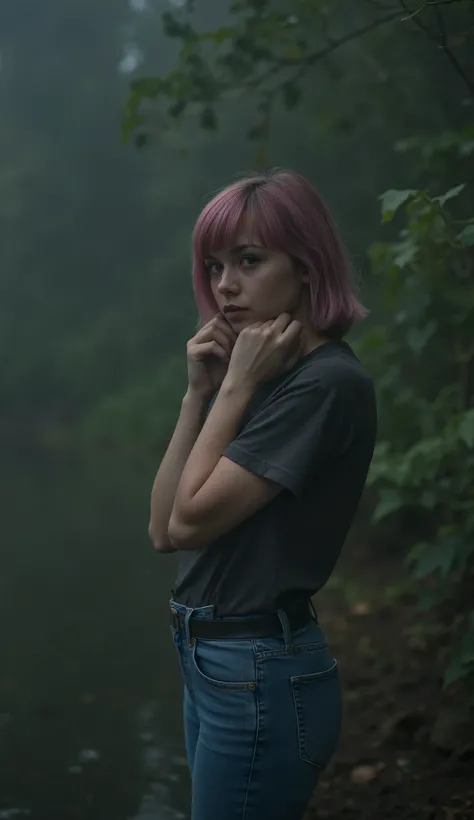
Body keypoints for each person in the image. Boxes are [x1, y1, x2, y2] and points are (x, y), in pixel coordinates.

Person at [148, 169, 377, 820]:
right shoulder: (269, 376)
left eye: (249, 261)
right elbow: (161, 530)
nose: (225, 285)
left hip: (258, 673)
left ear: (307, 267)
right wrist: (202, 391)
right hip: (214, 663)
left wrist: (238, 388)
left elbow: (191, 522)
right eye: (215, 265)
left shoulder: (325, 385)